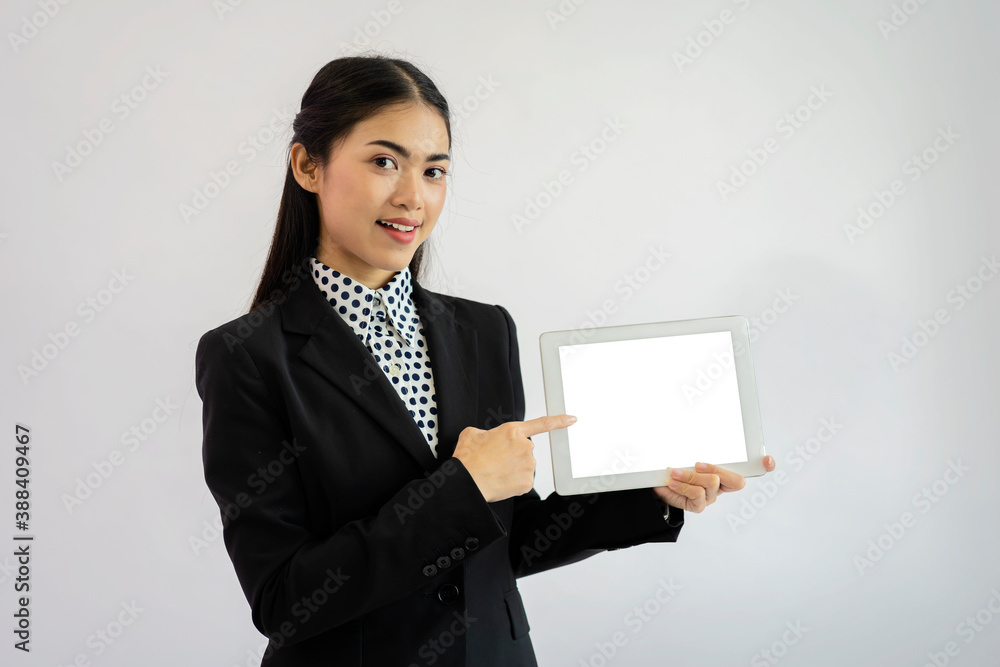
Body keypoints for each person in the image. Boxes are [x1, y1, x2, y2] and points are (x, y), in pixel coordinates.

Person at [194, 54, 777, 667]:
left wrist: (648, 493)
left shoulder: (483, 330)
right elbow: (285, 599)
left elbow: (506, 540)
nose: (412, 196)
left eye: (435, 170)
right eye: (384, 161)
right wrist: (461, 488)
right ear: (308, 165)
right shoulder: (246, 357)